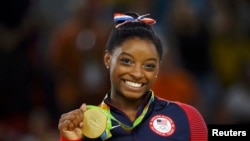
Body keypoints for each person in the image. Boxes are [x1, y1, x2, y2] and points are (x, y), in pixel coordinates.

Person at [58, 12, 208, 141]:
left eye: (148, 65)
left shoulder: (187, 118)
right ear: (108, 60)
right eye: (127, 61)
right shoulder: (85, 126)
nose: (137, 73)